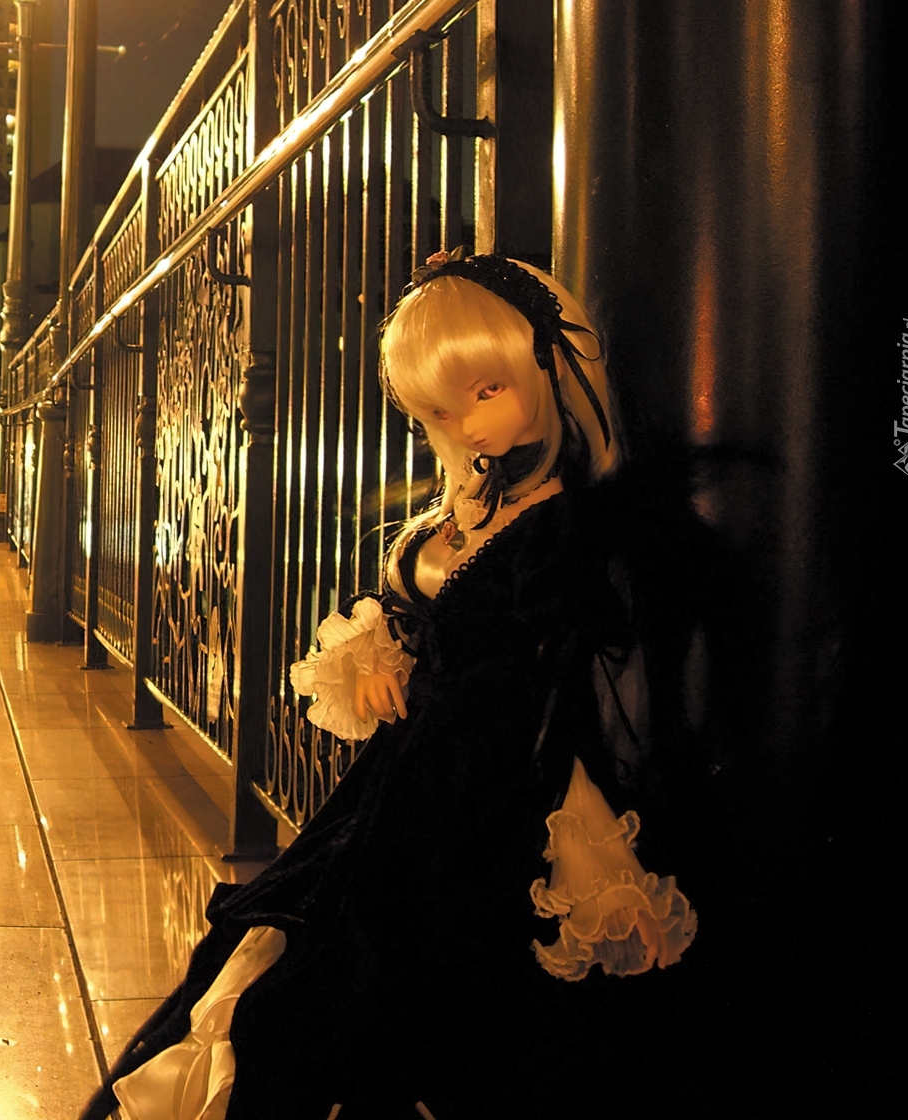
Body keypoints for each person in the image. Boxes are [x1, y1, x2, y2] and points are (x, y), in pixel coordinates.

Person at [81, 253, 700, 1120]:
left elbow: (557, 699)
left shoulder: (558, 530)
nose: (465, 425)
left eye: (486, 392)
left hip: (479, 802)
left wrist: (589, 843)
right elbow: (422, 619)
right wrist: (380, 658)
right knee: (303, 971)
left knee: (376, 998)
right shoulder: (477, 503)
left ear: (546, 367)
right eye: (439, 411)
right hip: (405, 784)